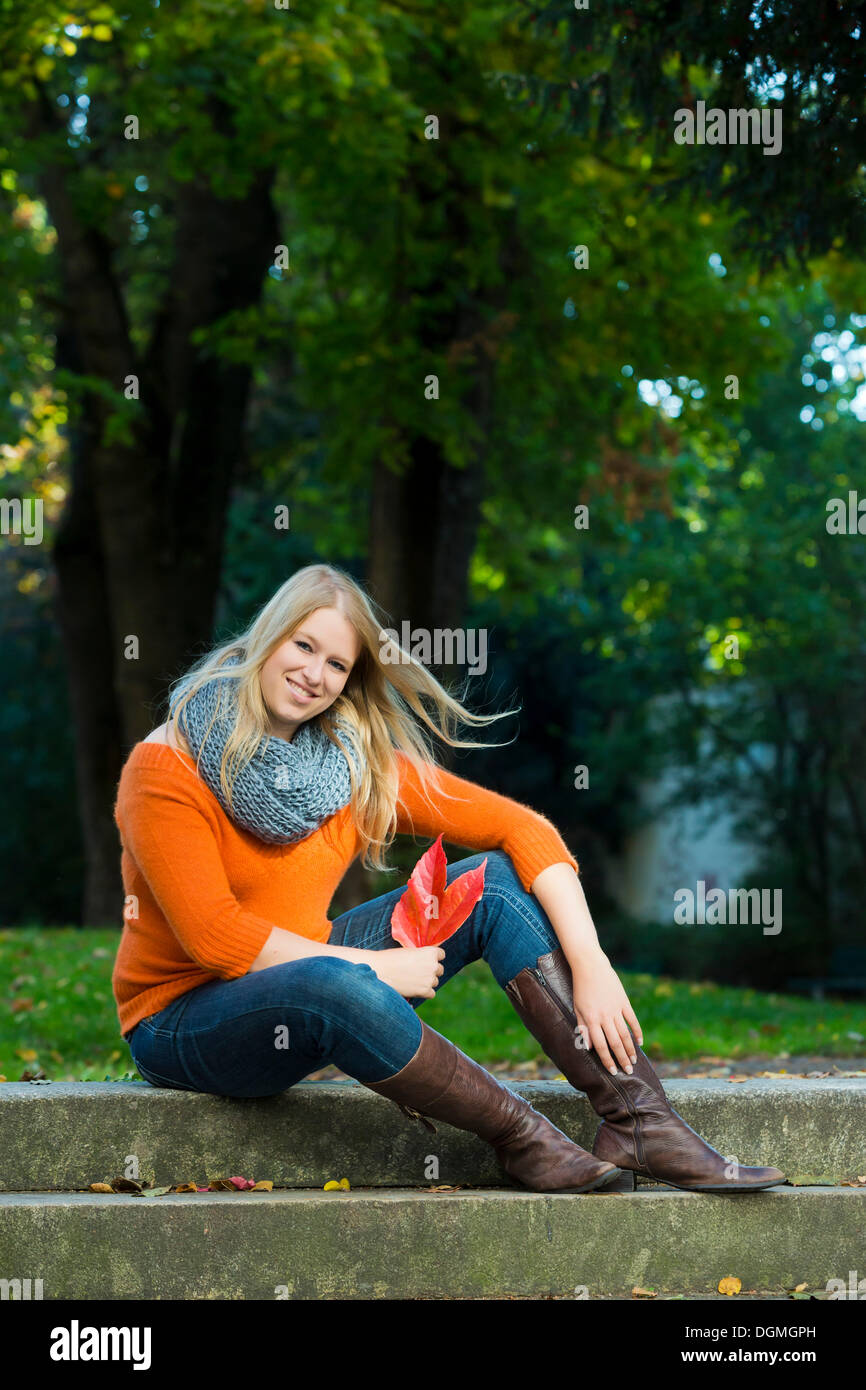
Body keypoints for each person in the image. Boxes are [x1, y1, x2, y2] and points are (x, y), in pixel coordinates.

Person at [113, 563, 786, 1195]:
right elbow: (216, 939)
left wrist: (592, 962)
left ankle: (641, 1123)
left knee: (492, 881)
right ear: (268, 639)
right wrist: (374, 968)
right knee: (340, 981)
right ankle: (524, 1141)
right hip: (184, 1024)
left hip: (310, 980)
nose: (314, 674)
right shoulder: (167, 766)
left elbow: (523, 831)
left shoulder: (349, 766)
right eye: (303, 646)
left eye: (337, 663)